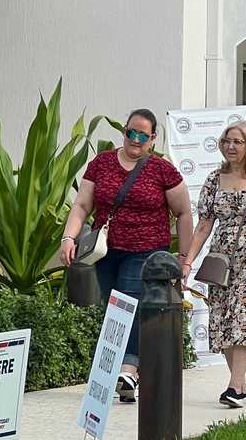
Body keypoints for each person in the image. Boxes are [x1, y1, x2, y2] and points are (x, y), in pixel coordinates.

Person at [59, 109, 193, 403]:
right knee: (114, 309)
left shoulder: (162, 170)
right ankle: (122, 373)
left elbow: (183, 213)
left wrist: (184, 258)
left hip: (145, 251)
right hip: (105, 251)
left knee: (128, 303)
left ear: (153, 139)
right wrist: (69, 237)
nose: (135, 139)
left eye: (142, 135)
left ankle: (129, 368)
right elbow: (82, 205)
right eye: (130, 132)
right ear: (124, 131)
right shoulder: (102, 163)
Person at [181, 120, 246, 409]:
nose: (231, 146)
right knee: (224, 320)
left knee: (244, 316)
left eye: (237, 141)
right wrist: (188, 261)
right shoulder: (214, 179)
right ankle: (240, 381)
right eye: (227, 140)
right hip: (222, 259)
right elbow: (203, 226)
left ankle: (235, 386)